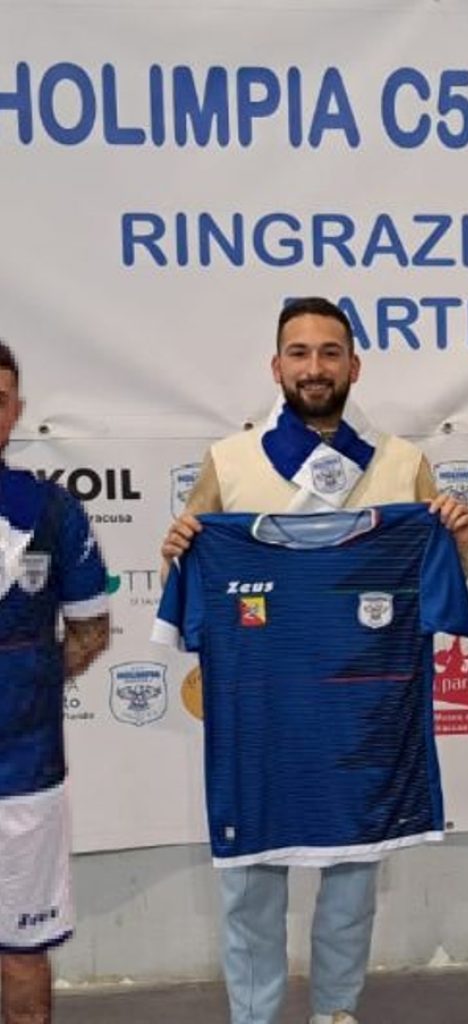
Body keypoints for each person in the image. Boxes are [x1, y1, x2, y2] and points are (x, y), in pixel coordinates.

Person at [159, 297, 468, 1024]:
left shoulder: (403, 464)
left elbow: (442, 583)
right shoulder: (228, 461)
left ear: (354, 366)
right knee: (250, 882)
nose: (314, 367)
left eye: (330, 352)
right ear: (276, 366)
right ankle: (254, 1017)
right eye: (299, 353)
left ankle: (337, 1012)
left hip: (363, 717)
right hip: (262, 714)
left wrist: (458, 540)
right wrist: (176, 547)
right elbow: (191, 563)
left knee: (352, 884)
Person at [0, 342, 110, 1024]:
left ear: (16, 410)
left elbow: (91, 631)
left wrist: (28, 680)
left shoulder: (52, 511)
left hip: (23, 773)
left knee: (21, 952)